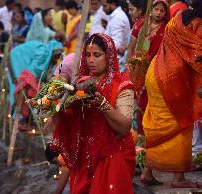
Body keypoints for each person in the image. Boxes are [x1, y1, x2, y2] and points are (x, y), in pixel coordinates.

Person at [52, 34, 135, 193]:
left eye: (97, 55)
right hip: (85, 157)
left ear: (109, 56)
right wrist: (54, 106)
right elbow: (66, 124)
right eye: (88, 55)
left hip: (114, 154)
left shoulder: (122, 85)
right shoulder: (80, 82)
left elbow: (124, 127)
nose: (91, 60)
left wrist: (102, 104)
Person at [141, 1, 202, 188]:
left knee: (158, 123)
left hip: (156, 72)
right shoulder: (198, 23)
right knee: (181, 122)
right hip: (173, 79)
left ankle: (146, 173)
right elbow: (198, 54)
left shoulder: (178, 17)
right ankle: (178, 178)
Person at [126, 0, 169, 134]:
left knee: (145, 102)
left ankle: (142, 134)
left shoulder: (166, 30)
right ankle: (128, 131)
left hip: (153, 71)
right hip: (135, 70)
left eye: (162, 11)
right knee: (129, 99)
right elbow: (131, 48)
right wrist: (129, 66)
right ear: (150, 9)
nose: (159, 13)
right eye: (156, 9)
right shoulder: (140, 25)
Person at [8, 40, 63, 105]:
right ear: (52, 51)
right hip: (18, 58)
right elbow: (32, 72)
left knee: (24, 84)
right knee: (20, 84)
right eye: (56, 55)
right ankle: (16, 108)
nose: (57, 58)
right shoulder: (43, 53)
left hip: (20, 57)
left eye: (58, 56)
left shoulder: (47, 56)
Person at [102, 0, 131, 71]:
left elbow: (117, 44)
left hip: (116, 62)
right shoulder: (116, 16)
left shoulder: (118, 18)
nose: (103, 9)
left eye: (105, 6)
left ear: (113, 4)